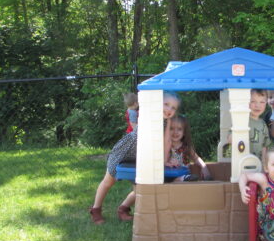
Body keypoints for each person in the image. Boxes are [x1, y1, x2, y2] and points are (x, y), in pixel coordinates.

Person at [89, 92, 180, 224]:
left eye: (173, 108)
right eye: (166, 104)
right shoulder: (148, 115)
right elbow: (143, 136)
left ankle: (123, 209)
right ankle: (96, 209)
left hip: (141, 157)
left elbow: (167, 143)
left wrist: (167, 160)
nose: (169, 109)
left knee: (141, 188)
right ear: (157, 103)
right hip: (124, 152)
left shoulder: (168, 122)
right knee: (108, 181)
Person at [165, 115, 210, 181]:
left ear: (184, 132)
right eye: (172, 128)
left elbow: (196, 158)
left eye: (179, 129)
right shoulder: (165, 146)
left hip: (183, 173)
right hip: (167, 176)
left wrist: (204, 167)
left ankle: (185, 178)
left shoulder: (186, 147)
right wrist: (167, 162)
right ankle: (184, 179)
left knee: (183, 178)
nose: (175, 132)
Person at [249, 89, 272, 164]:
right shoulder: (243, 121)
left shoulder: (263, 124)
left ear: (266, 103)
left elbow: (264, 146)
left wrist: (264, 163)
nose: (257, 105)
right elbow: (230, 139)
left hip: (258, 164)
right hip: (243, 162)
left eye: (262, 102)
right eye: (253, 101)